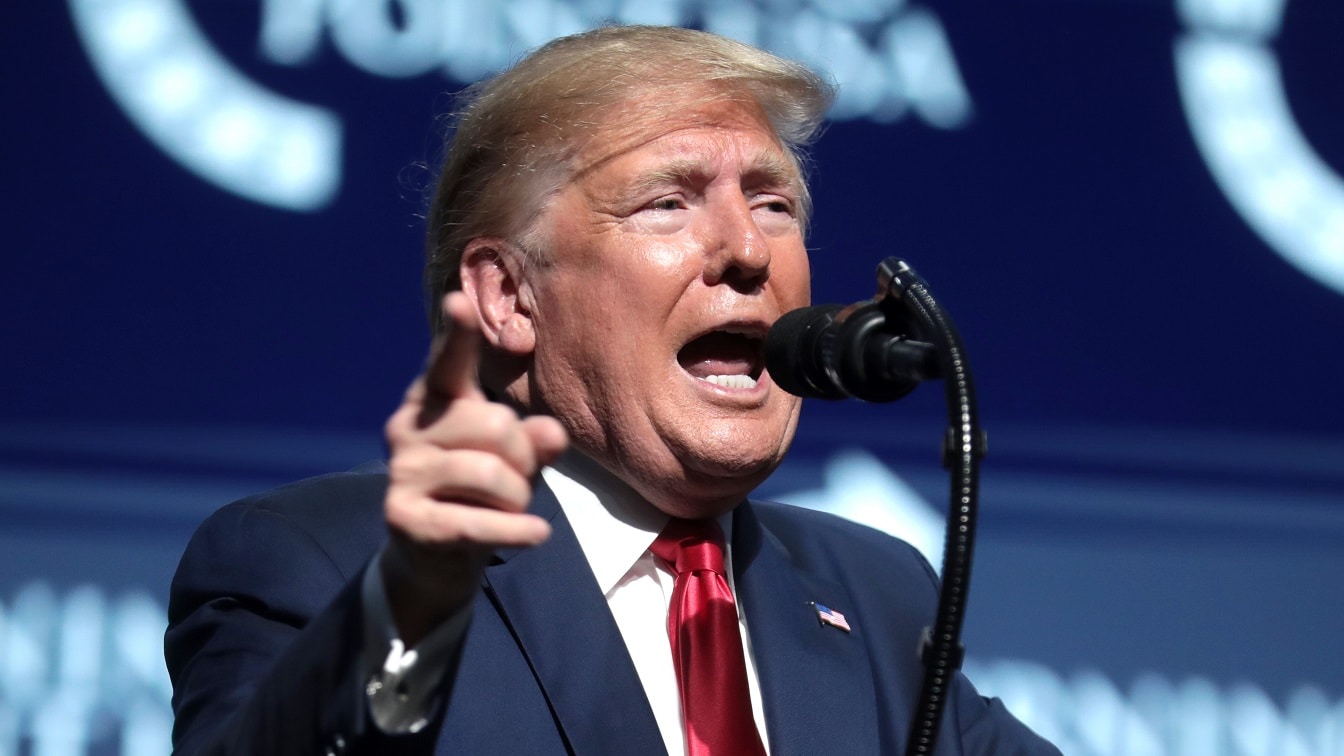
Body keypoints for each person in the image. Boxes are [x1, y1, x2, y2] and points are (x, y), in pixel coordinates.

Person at [165, 24, 1059, 756]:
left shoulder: (872, 594)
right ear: (510, 297)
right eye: (668, 202)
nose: (749, 250)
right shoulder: (321, 566)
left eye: (773, 203)